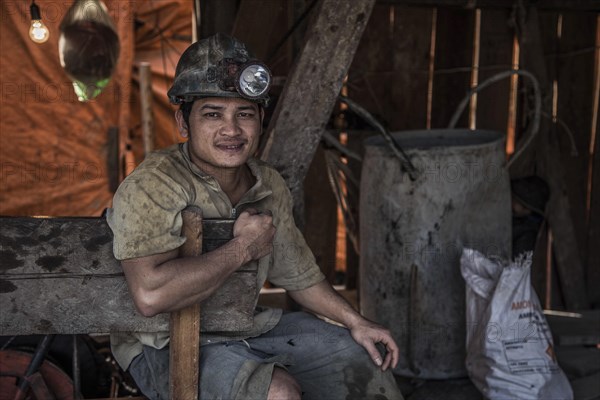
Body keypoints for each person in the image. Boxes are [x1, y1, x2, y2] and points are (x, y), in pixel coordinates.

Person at [107, 33, 403, 400]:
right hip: (162, 344)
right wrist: (243, 248)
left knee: (361, 360)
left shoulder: (268, 183)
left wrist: (356, 322)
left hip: (245, 327)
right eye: (212, 114)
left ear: (260, 120)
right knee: (277, 393)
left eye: (244, 114)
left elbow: (300, 277)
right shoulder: (156, 184)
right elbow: (150, 296)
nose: (231, 130)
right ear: (184, 124)